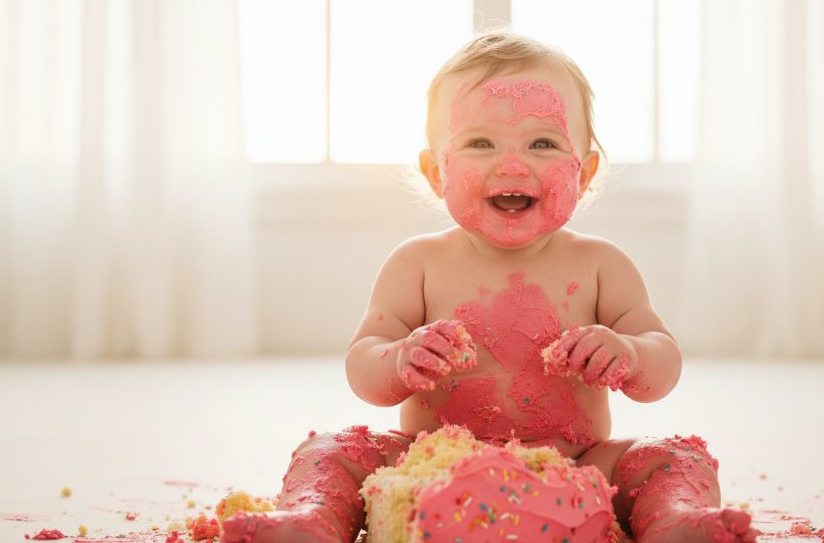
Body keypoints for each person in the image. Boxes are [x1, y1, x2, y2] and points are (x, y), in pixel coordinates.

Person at [223, 31, 757, 543]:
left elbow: (662, 362)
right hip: (428, 468)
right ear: (437, 172)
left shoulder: (601, 265)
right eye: (480, 142)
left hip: (576, 472)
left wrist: (628, 354)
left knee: (676, 455)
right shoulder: (418, 264)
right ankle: (309, 519)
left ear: (585, 172)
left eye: (543, 142)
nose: (511, 163)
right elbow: (364, 366)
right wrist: (400, 359)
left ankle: (680, 521)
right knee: (332, 449)